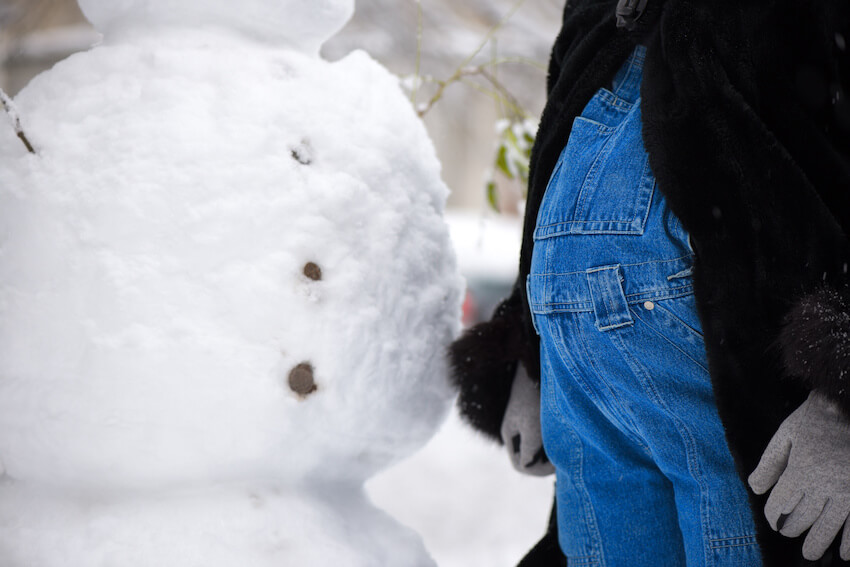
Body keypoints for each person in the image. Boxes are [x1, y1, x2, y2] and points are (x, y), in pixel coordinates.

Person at [450, 0, 850, 565]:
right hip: (582, 349)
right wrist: (529, 348)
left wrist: (842, 400)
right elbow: (558, 122)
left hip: (738, 329)